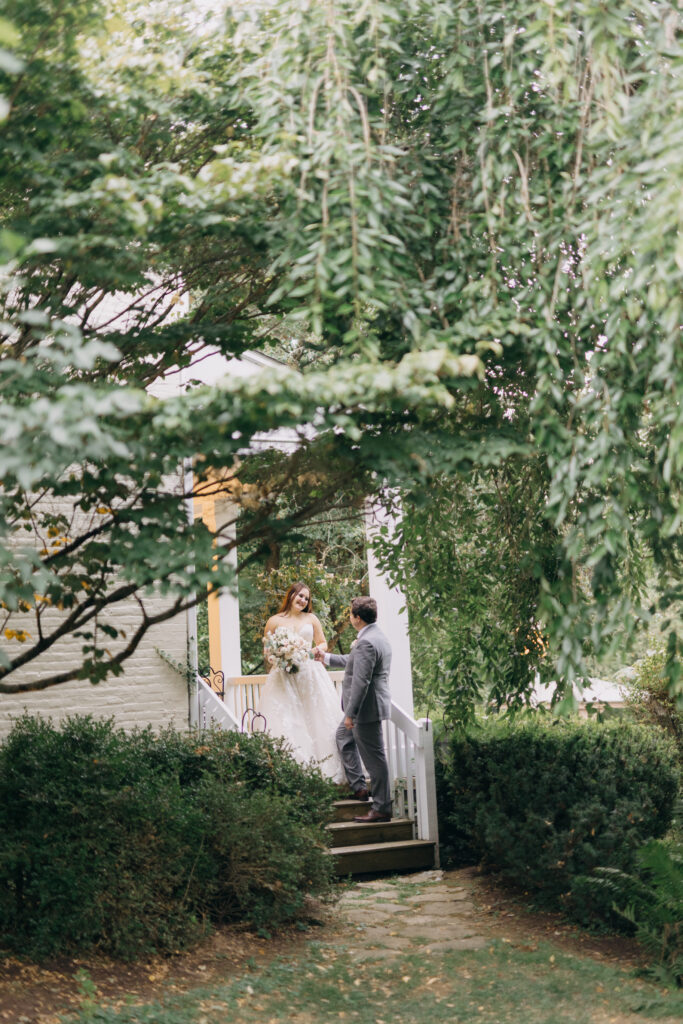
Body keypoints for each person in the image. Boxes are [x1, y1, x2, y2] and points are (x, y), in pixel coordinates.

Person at [314, 596, 393, 823]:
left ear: (357, 618)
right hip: (366, 708)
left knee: (375, 759)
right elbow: (354, 660)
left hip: (365, 710)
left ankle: (381, 808)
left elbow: (361, 681)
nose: (349, 618)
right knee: (342, 736)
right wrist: (325, 657)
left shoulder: (367, 642)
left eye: (350, 614)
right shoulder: (375, 636)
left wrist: (351, 713)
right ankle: (359, 787)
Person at [258, 582, 345, 783]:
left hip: (309, 674)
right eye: (300, 596)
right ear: (291, 595)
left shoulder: (311, 618)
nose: (303, 600)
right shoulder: (274, 620)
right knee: (287, 718)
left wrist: (309, 651)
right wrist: (280, 654)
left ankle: (323, 769)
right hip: (283, 676)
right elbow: (266, 649)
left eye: (306, 598)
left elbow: (322, 642)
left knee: (315, 716)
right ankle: (290, 769)